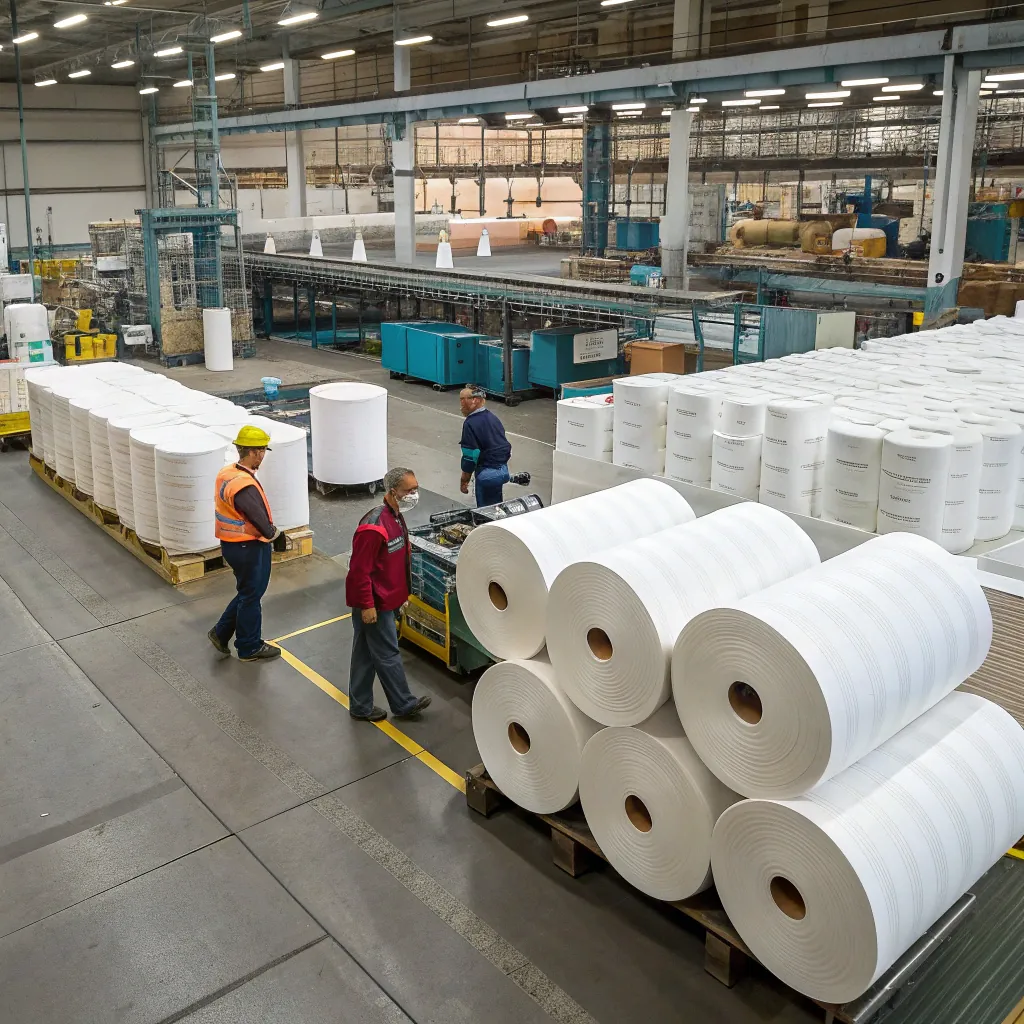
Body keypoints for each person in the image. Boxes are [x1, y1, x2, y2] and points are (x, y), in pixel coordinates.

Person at [346, 466, 432, 722]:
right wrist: (367, 605)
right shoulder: (373, 527)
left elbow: (396, 562)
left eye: (416, 489)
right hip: (376, 603)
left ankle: (360, 706)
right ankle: (404, 704)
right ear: (394, 492)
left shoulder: (394, 516)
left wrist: (403, 594)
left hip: (388, 599)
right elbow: (359, 573)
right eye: (409, 490)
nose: (414, 494)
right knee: (387, 653)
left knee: (364, 653)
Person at [208, 425, 287, 662]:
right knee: (252, 595)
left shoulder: (228, 473)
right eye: (261, 450)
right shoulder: (243, 484)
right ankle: (249, 646)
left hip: (233, 544)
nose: (263, 455)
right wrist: (276, 535)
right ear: (253, 452)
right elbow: (257, 517)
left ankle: (221, 633)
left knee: (247, 592)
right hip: (247, 546)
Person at [459, 386, 514, 506]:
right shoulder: (493, 418)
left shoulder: (470, 423)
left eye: (464, 399)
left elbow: (470, 456)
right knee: (495, 505)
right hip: (502, 470)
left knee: (485, 511)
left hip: (486, 473)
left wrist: (464, 481)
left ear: (475, 400)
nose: (461, 404)